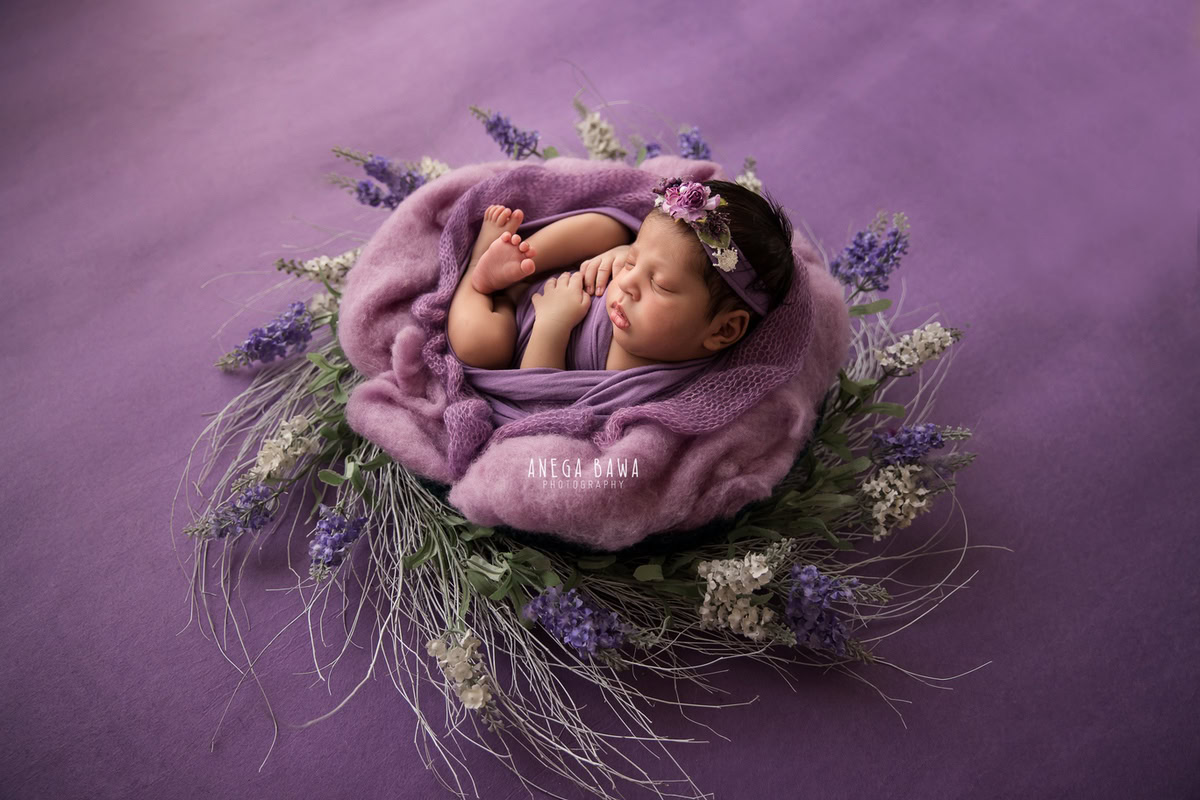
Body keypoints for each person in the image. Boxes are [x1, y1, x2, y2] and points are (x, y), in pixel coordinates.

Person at [446, 177, 795, 372]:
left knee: (481, 344)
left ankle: (480, 276)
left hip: (525, 329)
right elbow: (649, 251)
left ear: (723, 329)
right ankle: (522, 262)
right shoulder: (635, 280)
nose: (626, 283)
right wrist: (619, 253)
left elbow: (545, 406)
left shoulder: (636, 379)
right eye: (633, 265)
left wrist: (551, 326)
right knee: (607, 228)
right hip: (570, 275)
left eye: (658, 284)